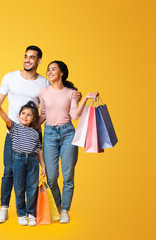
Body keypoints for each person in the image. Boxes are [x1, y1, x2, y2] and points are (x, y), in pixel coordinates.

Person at [0, 46, 81, 223]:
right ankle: (4, 208)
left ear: (39, 61)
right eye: (26, 57)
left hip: (33, 135)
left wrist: (75, 95)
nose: (27, 60)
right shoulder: (10, 77)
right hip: (13, 132)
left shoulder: (44, 83)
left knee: (33, 175)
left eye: (32, 58)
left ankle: (31, 212)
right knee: (9, 171)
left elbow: (56, 99)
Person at [38, 60, 98, 223]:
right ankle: (57, 205)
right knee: (51, 176)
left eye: (53, 69)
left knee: (68, 175)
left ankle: (65, 210)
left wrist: (85, 97)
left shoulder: (71, 93)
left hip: (68, 134)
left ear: (62, 73)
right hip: (49, 134)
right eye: (48, 69)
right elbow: (43, 113)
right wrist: (32, 127)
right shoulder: (43, 92)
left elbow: (75, 116)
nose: (49, 72)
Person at [0, 100, 46, 226]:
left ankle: (31, 214)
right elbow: (6, 118)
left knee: (32, 188)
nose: (25, 116)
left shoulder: (35, 133)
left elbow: (39, 151)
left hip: (33, 162)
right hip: (18, 161)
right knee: (19, 188)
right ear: (19, 115)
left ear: (33, 119)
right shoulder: (15, 128)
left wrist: (43, 166)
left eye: (29, 115)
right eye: (23, 113)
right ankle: (21, 214)